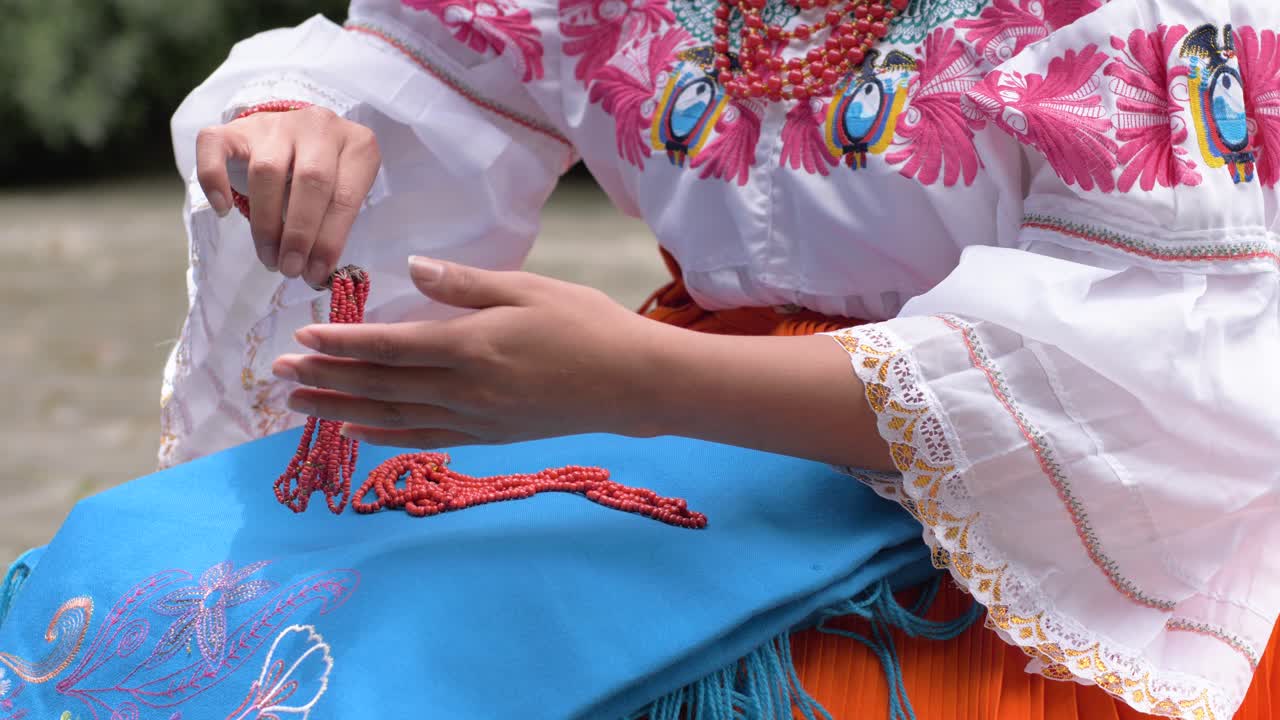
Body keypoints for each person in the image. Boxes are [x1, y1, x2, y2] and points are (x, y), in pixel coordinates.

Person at [5, 0, 1280, 718]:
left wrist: (630, 382)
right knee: (150, 598)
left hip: (1019, 531)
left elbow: (1155, 378)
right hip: (656, 419)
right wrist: (301, 136)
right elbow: (425, 76)